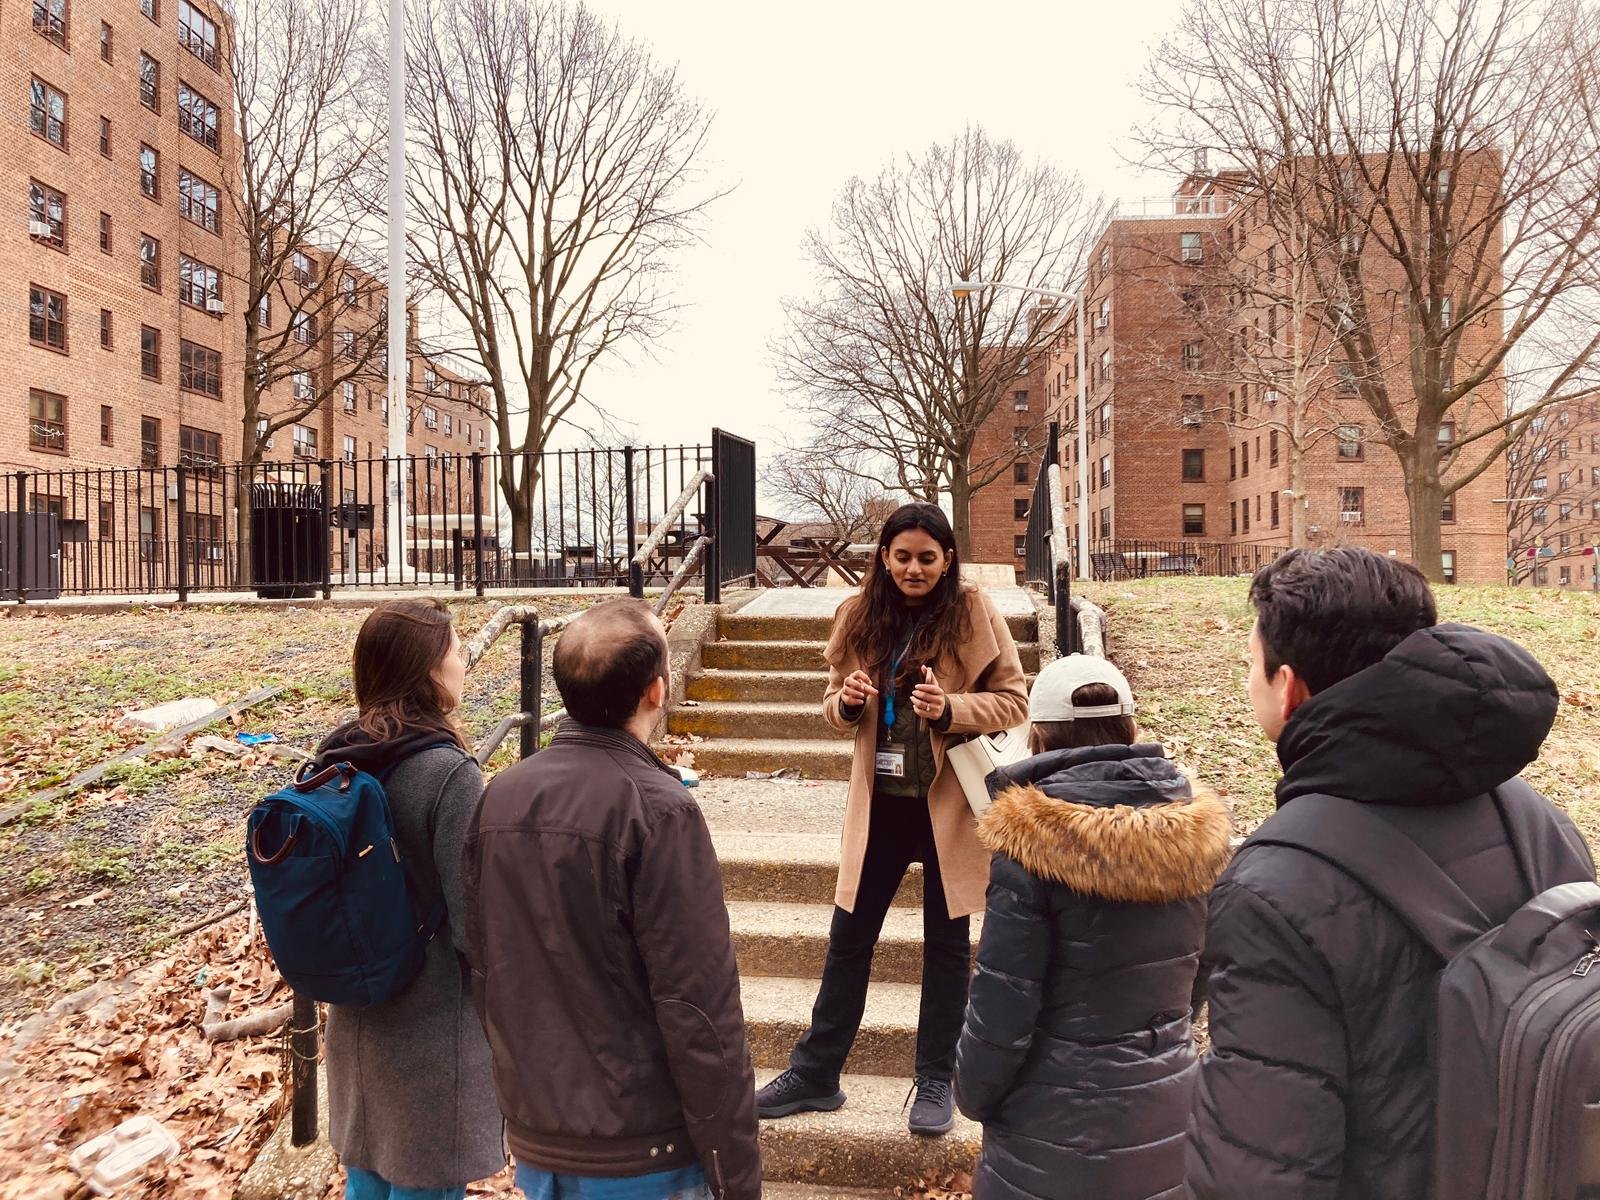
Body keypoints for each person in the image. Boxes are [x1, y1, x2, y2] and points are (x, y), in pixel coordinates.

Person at [1186, 547, 1595, 1200]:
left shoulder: (1273, 888)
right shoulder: (1540, 819)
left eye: (1248, 664)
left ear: (1288, 687)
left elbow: (1262, 1169)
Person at [463, 598, 761, 1200]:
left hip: (541, 1133)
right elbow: (699, 1005)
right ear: (657, 690)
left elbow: (481, 961)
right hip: (641, 1147)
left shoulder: (501, 794)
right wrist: (735, 1169)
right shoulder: (660, 810)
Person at [756, 502, 1030, 1136]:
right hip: (879, 804)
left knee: (946, 947)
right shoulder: (858, 613)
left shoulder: (974, 612)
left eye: (927, 558)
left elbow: (1014, 701)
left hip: (947, 805)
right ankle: (817, 1072)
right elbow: (831, 702)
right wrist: (848, 703)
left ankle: (936, 1077)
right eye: (902, 556)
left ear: (948, 560)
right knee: (848, 940)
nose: (914, 569)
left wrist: (951, 707)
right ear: (883, 557)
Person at [954, 654, 1231, 1200]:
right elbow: (1198, 977)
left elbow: (1002, 1006)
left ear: (1038, 735)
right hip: (1167, 1105)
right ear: (1130, 729)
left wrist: (973, 1092)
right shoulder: (1199, 839)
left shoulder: (1029, 849)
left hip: (1048, 1125)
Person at [315, 599, 504, 1200]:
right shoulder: (448, 773)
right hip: (432, 1028)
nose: (463, 662)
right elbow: (475, 922)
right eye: (456, 651)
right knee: (427, 1182)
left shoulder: (334, 759)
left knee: (367, 1179)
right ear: (427, 669)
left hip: (357, 1011)